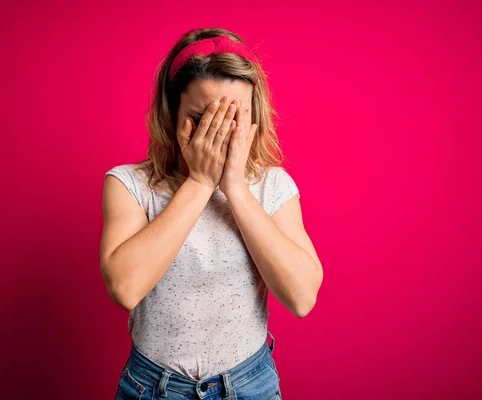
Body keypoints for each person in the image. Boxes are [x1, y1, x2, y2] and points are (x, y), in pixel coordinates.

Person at [100, 27, 323, 400]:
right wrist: (201, 182)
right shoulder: (130, 185)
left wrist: (234, 187)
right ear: (172, 114)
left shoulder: (272, 187)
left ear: (254, 119)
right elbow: (125, 287)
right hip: (152, 387)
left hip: (249, 384)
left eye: (233, 119)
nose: (219, 134)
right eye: (204, 117)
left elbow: (302, 298)